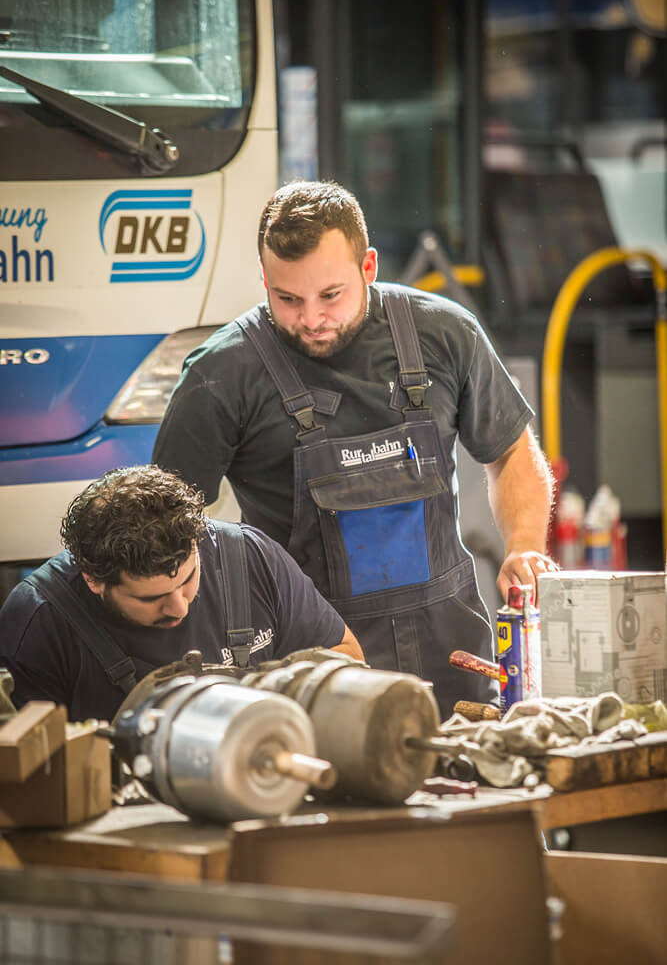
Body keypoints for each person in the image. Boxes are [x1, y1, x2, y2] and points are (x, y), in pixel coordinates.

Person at [153, 180, 556, 718]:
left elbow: (510, 453)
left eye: (330, 295)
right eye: (287, 298)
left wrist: (524, 545)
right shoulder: (219, 375)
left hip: (453, 653)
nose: (311, 319)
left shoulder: (444, 334)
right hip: (311, 668)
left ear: (368, 267)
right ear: (264, 279)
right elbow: (163, 526)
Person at [0, 465, 363, 722]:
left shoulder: (249, 557)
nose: (179, 607)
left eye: (188, 579)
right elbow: (26, 767)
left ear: (197, 539)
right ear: (94, 579)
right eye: (149, 598)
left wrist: (268, 699)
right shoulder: (39, 619)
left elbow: (347, 657)